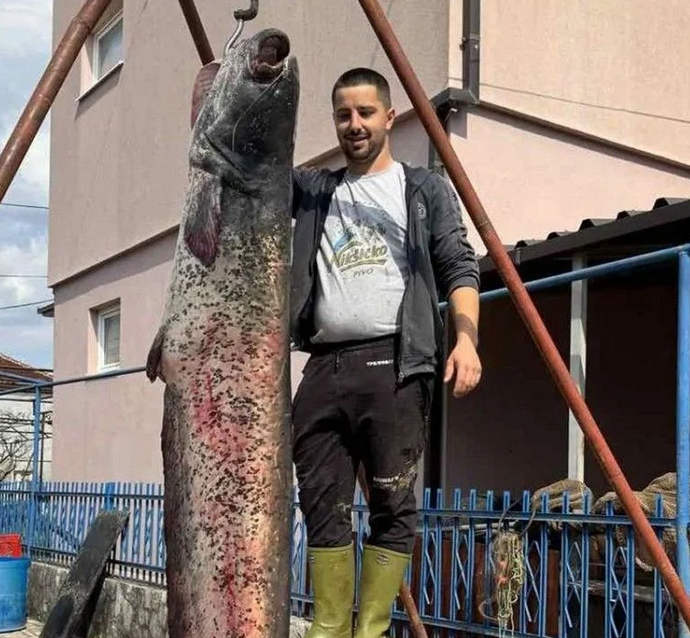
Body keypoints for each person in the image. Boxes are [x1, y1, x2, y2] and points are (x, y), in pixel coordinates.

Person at [290, 67, 482, 638]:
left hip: (394, 367)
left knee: (393, 508)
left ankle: (369, 630)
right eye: (343, 115)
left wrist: (466, 339)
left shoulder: (420, 190)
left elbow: (459, 265)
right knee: (320, 506)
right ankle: (329, 627)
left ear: (389, 117)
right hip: (322, 369)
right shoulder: (314, 192)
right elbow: (252, 171)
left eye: (365, 113)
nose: (354, 124)